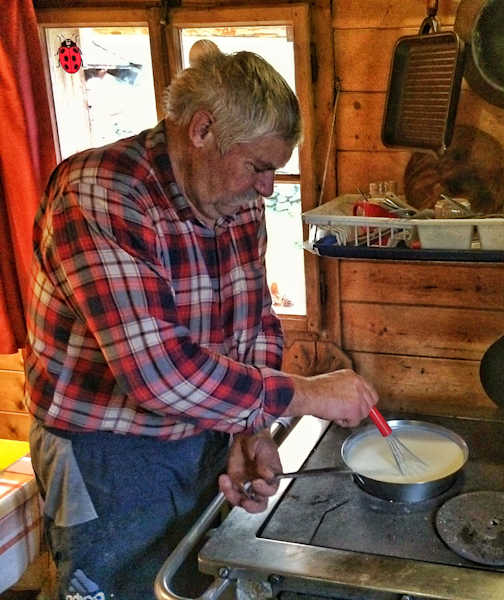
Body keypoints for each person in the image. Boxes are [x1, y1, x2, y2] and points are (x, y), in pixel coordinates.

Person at [23, 45, 379, 599]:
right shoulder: (101, 192)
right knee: (123, 589)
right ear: (203, 129)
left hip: (203, 430)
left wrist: (251, 428)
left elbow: (256, 318)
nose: (267, 187)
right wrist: (307, 395)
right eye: (259, 167)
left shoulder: (236, 201)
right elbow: (157, 373)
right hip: (108, 453)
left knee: (197, 582)